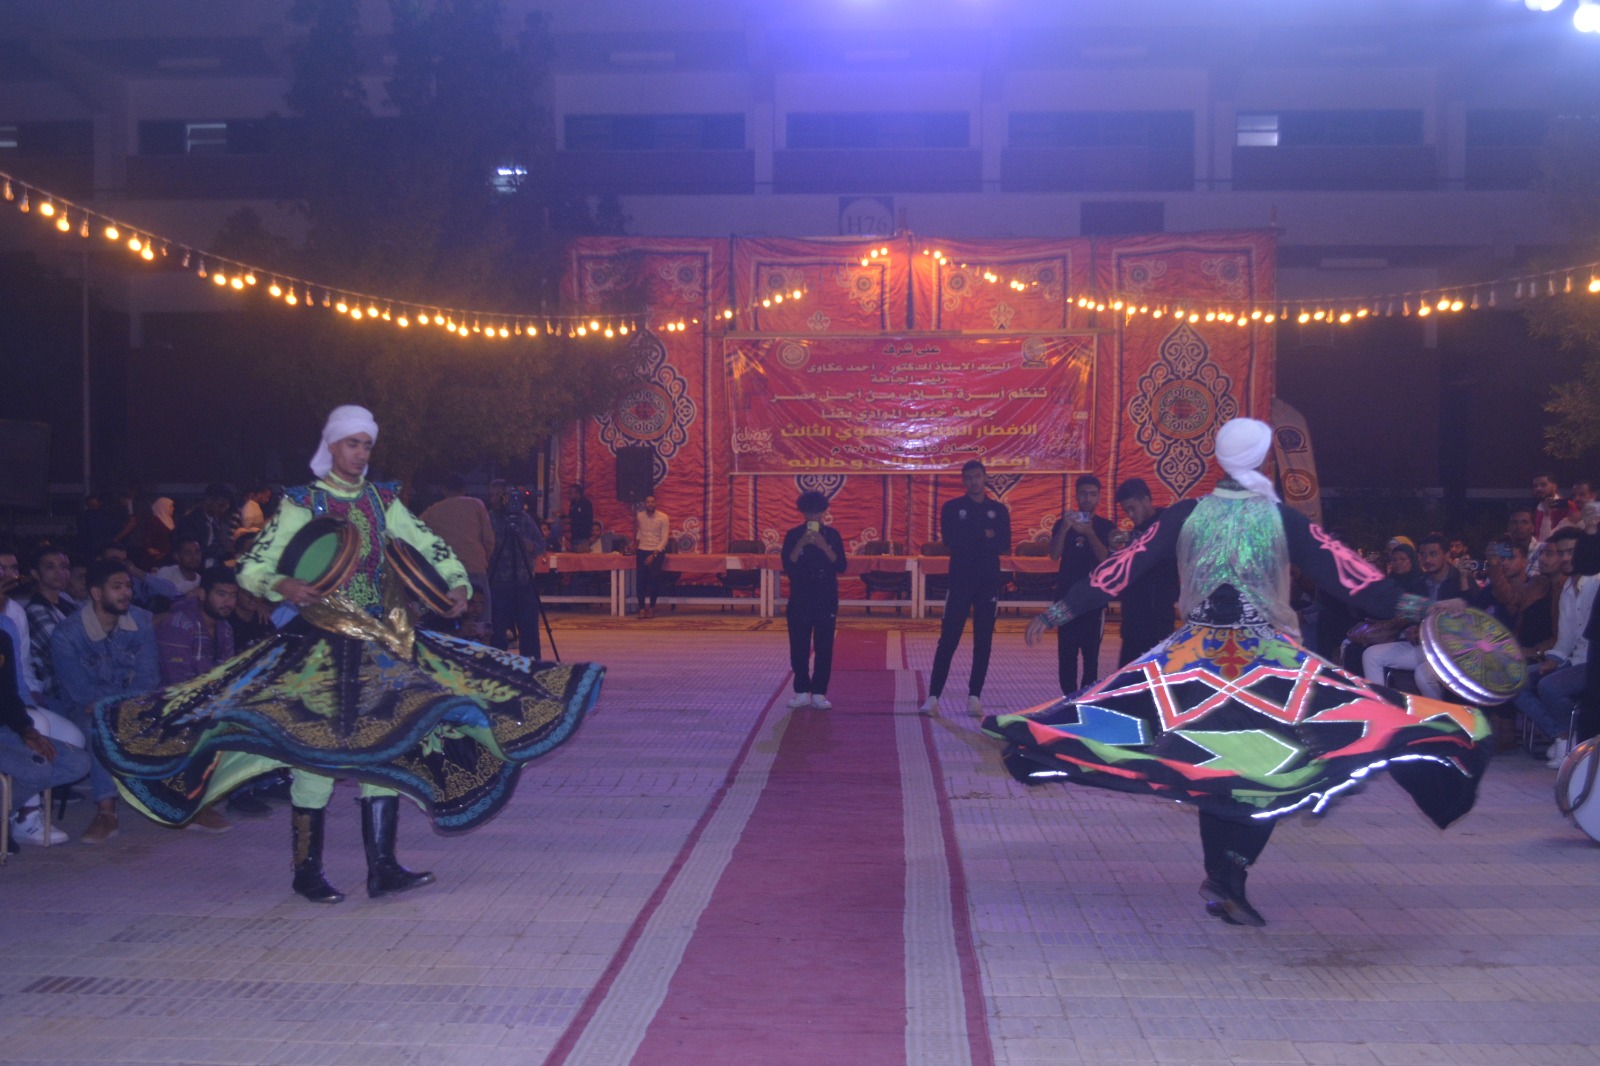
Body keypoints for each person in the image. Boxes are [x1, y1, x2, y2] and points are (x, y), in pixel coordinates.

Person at [986, 418, 1489, 927]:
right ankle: (1229, 871)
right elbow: (1350, 578)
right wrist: (1421, 605)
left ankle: (1226, 875)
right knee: (1270, 767)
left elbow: (1124, 566)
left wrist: (1062, 609)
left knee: (1219, 764)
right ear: (1263, 459)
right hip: (1265, 664)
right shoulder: (1280, 517)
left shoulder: (1187, 513)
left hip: (1194, 663)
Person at [92, 405, 604, 904]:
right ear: (332, 446)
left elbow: (430, 544)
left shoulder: (383, 501)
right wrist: (282, 584)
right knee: (317, 753)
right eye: (352, 444)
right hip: (320, 645)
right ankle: (306, 871)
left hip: (382, 642)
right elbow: (252, 566)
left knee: (386, 746)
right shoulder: (302, 504)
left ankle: (383, 868)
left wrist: (455, 582)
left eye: (366, 445)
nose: (361, 453)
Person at [51, 559, 162, 844]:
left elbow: (148, 678)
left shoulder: (141, 621)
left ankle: (185, 803)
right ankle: (106, 812)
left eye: (128, 586)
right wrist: (117, 704)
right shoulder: (67, 634)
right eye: (117, 587)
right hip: (82, 709)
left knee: (178, 713)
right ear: (97, 593)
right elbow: (81, 693)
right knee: (98, 725)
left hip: (133, 701)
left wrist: (125, 703)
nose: (126, 593)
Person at [153, 565, 246, 826]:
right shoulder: (179, 623)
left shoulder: (224, 627)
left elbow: (226, 675)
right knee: (207, 725)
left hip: (206, 700)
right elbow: (177, 682)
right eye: (221, 594)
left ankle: (228, 791)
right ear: (203, 594)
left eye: (232, 595)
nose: (228, 602)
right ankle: (193, 803)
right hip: (169, 703)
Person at [922, 459, 1011, 716]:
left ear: (985, 478)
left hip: (988, 583)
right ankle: (933, 697)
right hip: (960, 581)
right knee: (948, 639)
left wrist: (973, 536)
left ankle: (974, 697)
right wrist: (985, 535)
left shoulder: (998, 510)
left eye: (978, 476)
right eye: (969, 477)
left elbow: (1003, 543)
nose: (974, 481)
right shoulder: (952, 508)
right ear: (963, 481)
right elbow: (952, 540)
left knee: (983, 640)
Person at [1, 626, 91, 854]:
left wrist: (26, 729)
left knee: (76, 763)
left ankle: (5, 814)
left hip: (4, 730)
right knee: (37, 770)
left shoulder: (2, 638)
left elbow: (8, 695)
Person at [1049, 475, 1115, 696]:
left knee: (1091, 657)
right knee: (1065, 654)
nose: (1088, 498)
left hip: (1094, 601)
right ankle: (1067, 700)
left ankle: (1085, 700)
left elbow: (1106, 559)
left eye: (1092, 494)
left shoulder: (1106, 527)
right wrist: (1065, 528)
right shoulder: (1063, 524)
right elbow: (1054, 555)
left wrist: (1090, 534)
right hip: (1065, 598)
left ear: (1098, 497)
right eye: (1084, 494)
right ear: (1076, 496)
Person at [781, 491, 847, 710]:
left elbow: (841, 566)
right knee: (798, 644)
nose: (813, 517)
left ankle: (819, 692)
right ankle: (801, 691)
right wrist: (801, 543)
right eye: (809, 513)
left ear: (823, 512)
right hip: (800, 595)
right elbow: (788, 565)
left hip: (825, 596)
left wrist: (823, 546)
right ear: (802, 512)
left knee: (824, 645)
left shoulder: (832, 535)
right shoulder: (793, 535)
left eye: (816, 512)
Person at [1110, 478, 1179, 666]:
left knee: (1154, 674)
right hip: (1133, 618)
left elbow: (1158, 551)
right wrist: (1115, 549)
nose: (1130, 515)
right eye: (1127, 511)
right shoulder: (1135, 533)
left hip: (1158, 617)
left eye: (1133, 508)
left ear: (1146, 500)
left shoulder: (1166, 524)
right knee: (1128, 675)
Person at [487, 479, 546, 658]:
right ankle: (498, 668)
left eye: (499, 495)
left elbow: (541, 545)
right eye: (491, 495)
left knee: (529, 632)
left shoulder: (524, 519)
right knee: (496, 632)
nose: (494, 499)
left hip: (524, 583)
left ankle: (532, 666)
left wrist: (528, 544)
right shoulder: (488, 519)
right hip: (498, 583)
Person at [634, 495, 670, 619]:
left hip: (657, 551)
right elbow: (640, 532)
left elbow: (664, 539)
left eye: (652, 502)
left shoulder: (663, 517)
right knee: (640, 581)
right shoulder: (640, 516)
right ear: (645, 504)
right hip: (642, 550)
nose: (650, 504)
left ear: (656, 503)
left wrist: (654, 555)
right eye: (648, 502)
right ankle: (641, 608)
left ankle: (652, 608)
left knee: (654, 580)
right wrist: (635, 544)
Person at [568, 484, 594, 552]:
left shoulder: (586, 504)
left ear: (577, 493)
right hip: (574, 536)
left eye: (571, 493)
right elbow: (570, 517)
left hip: (583, 537)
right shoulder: (573, 503)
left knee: (582, 556)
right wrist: (562, 516)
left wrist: (572, 521)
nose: (569, 495)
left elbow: (587, 520)